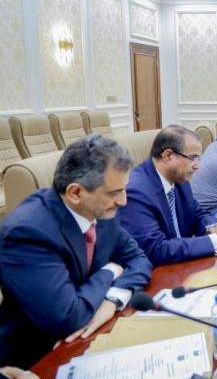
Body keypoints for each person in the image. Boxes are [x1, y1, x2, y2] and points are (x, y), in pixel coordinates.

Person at [0, 135, 152, 367]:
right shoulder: (27, 233)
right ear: (75, 193)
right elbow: (68, 318)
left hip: (91, 335)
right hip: (37, 357)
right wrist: (111, 270)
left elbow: (139, 259)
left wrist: (113, 299)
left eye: (124, 189)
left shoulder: (100, 210)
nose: (123, 201)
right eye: (114, 192)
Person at [118, 126, 217, 266]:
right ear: (168, 156)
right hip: (159, 271)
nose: (197, 166)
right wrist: (216, 239)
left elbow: (197, 214)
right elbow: (155, 249)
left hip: (182, 263)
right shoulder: (136, 192)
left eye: (199, 158)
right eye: (193, 158)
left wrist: (213, 226)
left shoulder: (178, 177)